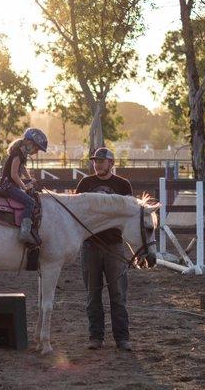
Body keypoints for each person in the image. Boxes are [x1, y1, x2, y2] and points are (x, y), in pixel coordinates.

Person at [75, 147, 134, 351]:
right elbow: (77, 212)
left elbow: (129, 214)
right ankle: (96, 337)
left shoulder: (123, 185)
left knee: (118, 295)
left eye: (101, 161)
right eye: (95, 161)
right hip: (90, 245)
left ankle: (122, 338)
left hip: (114, 245)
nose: (97, 164)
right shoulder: (85, 184)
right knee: (93, 295)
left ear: (111, 163)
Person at [0, 128, 48, 244]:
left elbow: (22, 168)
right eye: (36, 148)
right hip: (8, 185)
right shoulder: (17, 154)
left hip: (12, 184)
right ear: (28, 143)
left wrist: (29, 178)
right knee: (30, 202)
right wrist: (24, 186)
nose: (36, 152)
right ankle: (24, 232)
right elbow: (14, 174)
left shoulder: (22, 155)